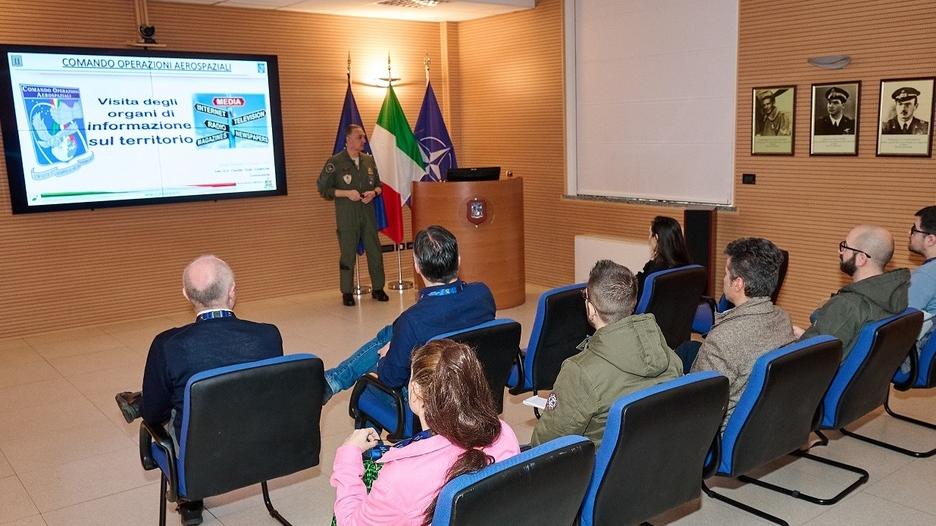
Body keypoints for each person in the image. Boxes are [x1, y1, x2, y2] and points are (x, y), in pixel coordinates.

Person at [117, 255, 283, 526]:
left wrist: (148, 407)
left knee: (167, 406)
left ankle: (190, 502)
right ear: (232, 291)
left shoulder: (167, 345)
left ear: (186, 295)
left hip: (198, 458)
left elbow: (155, 414)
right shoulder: (268, 336)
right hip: (259, 449)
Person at [331, 339, 520, 526]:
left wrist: (348, 457)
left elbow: (350, 523)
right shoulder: (502, 433)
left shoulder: (401, 478)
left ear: (415, 391)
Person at [322, 225, 495, 401]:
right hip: (472, 384)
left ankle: (334, 382)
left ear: (417, 267)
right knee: (392, 332)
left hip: (430, 399)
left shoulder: (413, 320)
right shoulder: (483, 294)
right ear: (458, 260)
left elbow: (391, 379)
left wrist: (386, 356)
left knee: (385, 349)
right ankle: (333, 381)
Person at [530, 260, 682, 447]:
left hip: (602, 473)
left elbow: (545, 444)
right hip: (657, 462)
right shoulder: (668, 355)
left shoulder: (579, 372)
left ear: (591, 309)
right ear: (632, 304)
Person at [678, 238, 795, 424]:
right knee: (689, 348)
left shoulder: (722, 338)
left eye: (726, 273)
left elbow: (698, 402)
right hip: (760, 416)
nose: (724, 279)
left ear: (738, 283)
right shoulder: (782, 317)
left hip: (721, 428)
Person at [794, 226, 910, 360]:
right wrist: (806, 335)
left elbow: (809, 358)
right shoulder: (895, 294)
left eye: (845, 247)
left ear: (861, 258)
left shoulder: (848, 305)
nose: (840, 251)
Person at [317, 123, 389, 307]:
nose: (364, 140)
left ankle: (378, 288)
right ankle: (347, 291)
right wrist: (346, 193)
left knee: (374, 251)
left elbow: (379, 185)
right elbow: (323, 188)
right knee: (348, 253)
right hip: (347, 214)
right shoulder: (335, 162)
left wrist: (374, 192)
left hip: (367, 212)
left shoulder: (368, 160)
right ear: (348, 139)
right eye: (360, 137)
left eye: (363, 137)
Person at [902, 206, 936, 372]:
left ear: (930, 239)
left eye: (914, 230)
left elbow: (899, 321)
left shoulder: (927, 275)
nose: (910, 234)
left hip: (913, 360)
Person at [635, 216, 692, 299]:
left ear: (657, 238)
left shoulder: (653, 272)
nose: (649, 238)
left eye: (650, 234)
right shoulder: (689, 268)